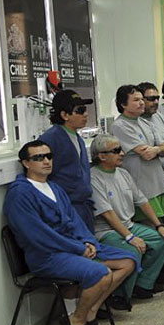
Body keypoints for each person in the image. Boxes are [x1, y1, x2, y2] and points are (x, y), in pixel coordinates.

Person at [5, 140, 137, 325]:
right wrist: (78, 248)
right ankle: (76, 321)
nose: (46, 161)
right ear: (26, 163)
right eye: (38, 158)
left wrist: (88, 241)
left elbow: (74, 221)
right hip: (47, 256)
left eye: (49, 156)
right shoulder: (19, 194)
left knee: (128, 261)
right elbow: (39, 235)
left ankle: (90, 310)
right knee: (101, 274)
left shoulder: (55, 188)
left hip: (73, 248)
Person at [90, 134, 164, 307]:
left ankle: (142, 285)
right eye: (116, 151)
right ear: (102, 156)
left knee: (162, 239)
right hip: (107, 231)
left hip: (129, 225)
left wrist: (159, 225)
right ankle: (120, 296)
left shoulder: (123, 173)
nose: (122, 153)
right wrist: (130, 237)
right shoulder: (93, 178)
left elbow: (142, 200)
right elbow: (107, 214)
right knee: (133, 251)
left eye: (121, 149)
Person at [109, 85, 164, 233]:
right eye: (136, 100)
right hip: (141, 187)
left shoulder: (145, 122)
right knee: (151, 230)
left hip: (158, 184)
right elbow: (145, 153)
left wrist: (156, 149)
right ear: (123, 104)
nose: (141, 103)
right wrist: (158, 149)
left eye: (141, 99)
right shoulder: (120, 126)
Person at [38, 89, 95, 230]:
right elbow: (41, 177)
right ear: (64, 115)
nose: (85, 114)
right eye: (80, 111)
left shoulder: (78, 138)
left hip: (83, 207)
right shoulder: (51, 139)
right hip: (66, 209)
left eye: (85, 109)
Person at [137, 81, 164, 177]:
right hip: (145, 177)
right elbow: (146, 154)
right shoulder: (133, 121)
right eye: (151, 99)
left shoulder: (160, 117)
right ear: (141, 100)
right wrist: (161, 149)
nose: (156, 102)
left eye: (157, 98)